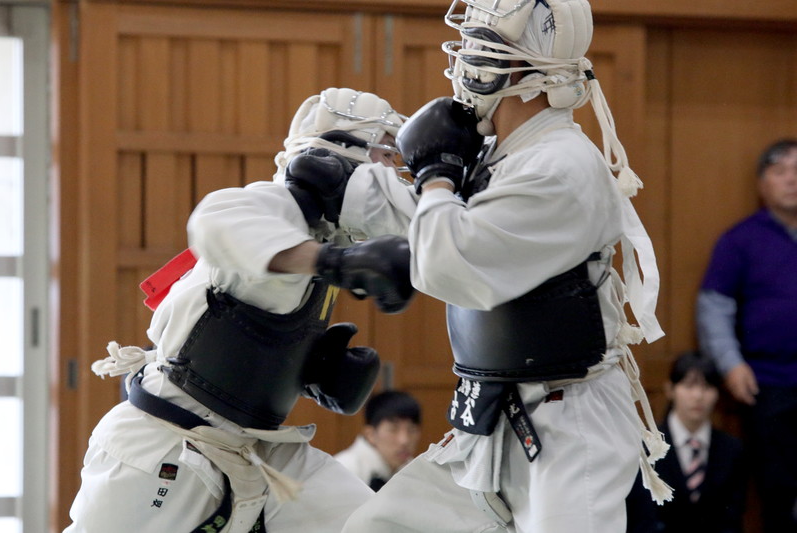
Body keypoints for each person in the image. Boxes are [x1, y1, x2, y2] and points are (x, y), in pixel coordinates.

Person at [296, 1, 672, 531]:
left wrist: (435, 175)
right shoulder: (505, 153)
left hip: (567, 424)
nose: (465, 59)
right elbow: (431, 220)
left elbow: (452, 262)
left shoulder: (561, 166)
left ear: (519, 68)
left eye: (480, 43)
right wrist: (342, 181)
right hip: (492, 413)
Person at [64, 87, 416, 533]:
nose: (392, 173)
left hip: (259, 447)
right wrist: (333, 263)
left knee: (381, 526)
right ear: (336, 160)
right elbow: (213, 220)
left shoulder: (319, 238)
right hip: (166, 443)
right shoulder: (278, 207)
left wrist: (302, 371)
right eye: (385, 156)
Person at [696, 138, 797, 533]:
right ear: (762, 184)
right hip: (767, 385)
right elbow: (714, 308)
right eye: (781, 171)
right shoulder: (739, 241)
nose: (792, 179)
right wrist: (731, 365)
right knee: (777, 490)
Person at [625, 351, 746, 533]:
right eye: (689, 386)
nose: (698, 396)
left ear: (717, 393)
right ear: (670, 390)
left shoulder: (731, 449)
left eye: (706, 387)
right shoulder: (646, 447)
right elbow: (641, 518)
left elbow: (732, 521)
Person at [334, 390, 422, 491]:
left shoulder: (415, 471)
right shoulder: (345, 469)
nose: (404, 440)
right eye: (393, 430)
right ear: (370, 434)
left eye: (412, 430)